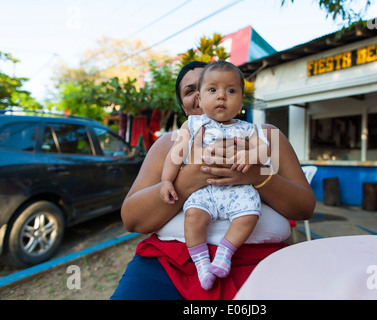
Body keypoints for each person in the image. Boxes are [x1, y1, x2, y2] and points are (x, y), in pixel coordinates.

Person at [111, 61, 316, 300]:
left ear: (239, 97)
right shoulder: (168, 143)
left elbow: (305, 207)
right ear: (185, 105)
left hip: (262, 263)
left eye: (227, 88)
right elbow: (132, 220)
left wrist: (255, 175)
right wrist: (191, 175)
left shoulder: (265, 135)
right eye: (192, 90)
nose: (215, 95)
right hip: (170, 263)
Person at [160, 60, 270, 290]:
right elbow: (176, 154)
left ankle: (225, 253)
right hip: (205, 191)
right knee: (192, 218)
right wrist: (166, 180)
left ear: (241, 100)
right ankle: (202, 264)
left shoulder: (249, 129)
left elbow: (264, 150)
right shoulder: (192, 124)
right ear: (200, 98)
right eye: (213, 90)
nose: (222, 96)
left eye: (231, 91)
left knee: (250, 213)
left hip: (237, 190)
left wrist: (251, 156)